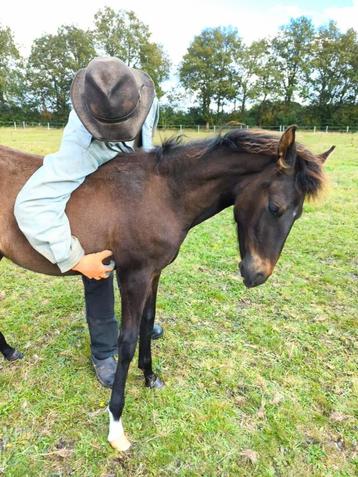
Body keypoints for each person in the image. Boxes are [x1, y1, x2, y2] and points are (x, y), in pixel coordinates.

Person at [14, 57, 164, 387]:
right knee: (98, 251)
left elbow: (147, 139)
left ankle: (141, 320)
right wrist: (76, 259)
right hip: (96, 164)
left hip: (134, 176)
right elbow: (30, 205)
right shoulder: (77, 146)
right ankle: (103, 351)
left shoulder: (143, 96)